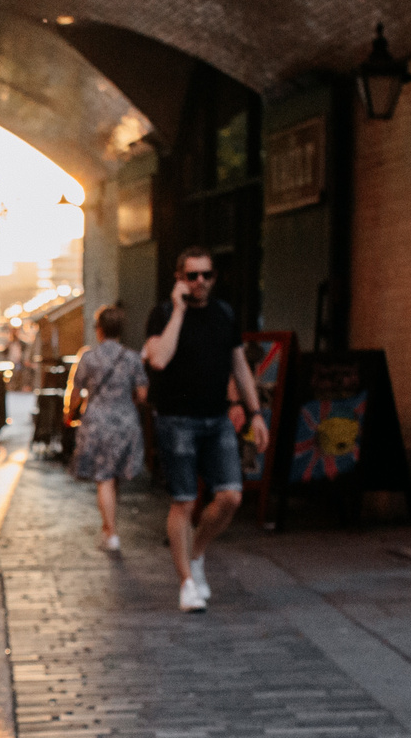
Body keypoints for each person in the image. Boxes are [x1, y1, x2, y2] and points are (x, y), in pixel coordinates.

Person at [141, 248, 269, 611]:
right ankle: (186, 583)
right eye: (192, 276)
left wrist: (254, 411)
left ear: (214, 278)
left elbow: (239, 366)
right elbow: (159, 358)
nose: (200, 283)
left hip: (217, 419)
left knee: (231, 496)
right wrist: (179, 310)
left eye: (206, 275)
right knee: (184, 500)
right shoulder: (163, 314)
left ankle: (196, 554)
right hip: (176, 419)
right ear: (179, 278)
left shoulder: (224, 314)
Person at [69, 305, 147, 549]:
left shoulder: (89, 357)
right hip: (126, 422)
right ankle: (109, 526)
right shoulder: (133, 358)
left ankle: (110, 532)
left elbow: (76, 392)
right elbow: (143, 394)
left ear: (99, 329)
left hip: (97, 423)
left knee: (103, 477)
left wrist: (69, 413)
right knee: (115, 476)